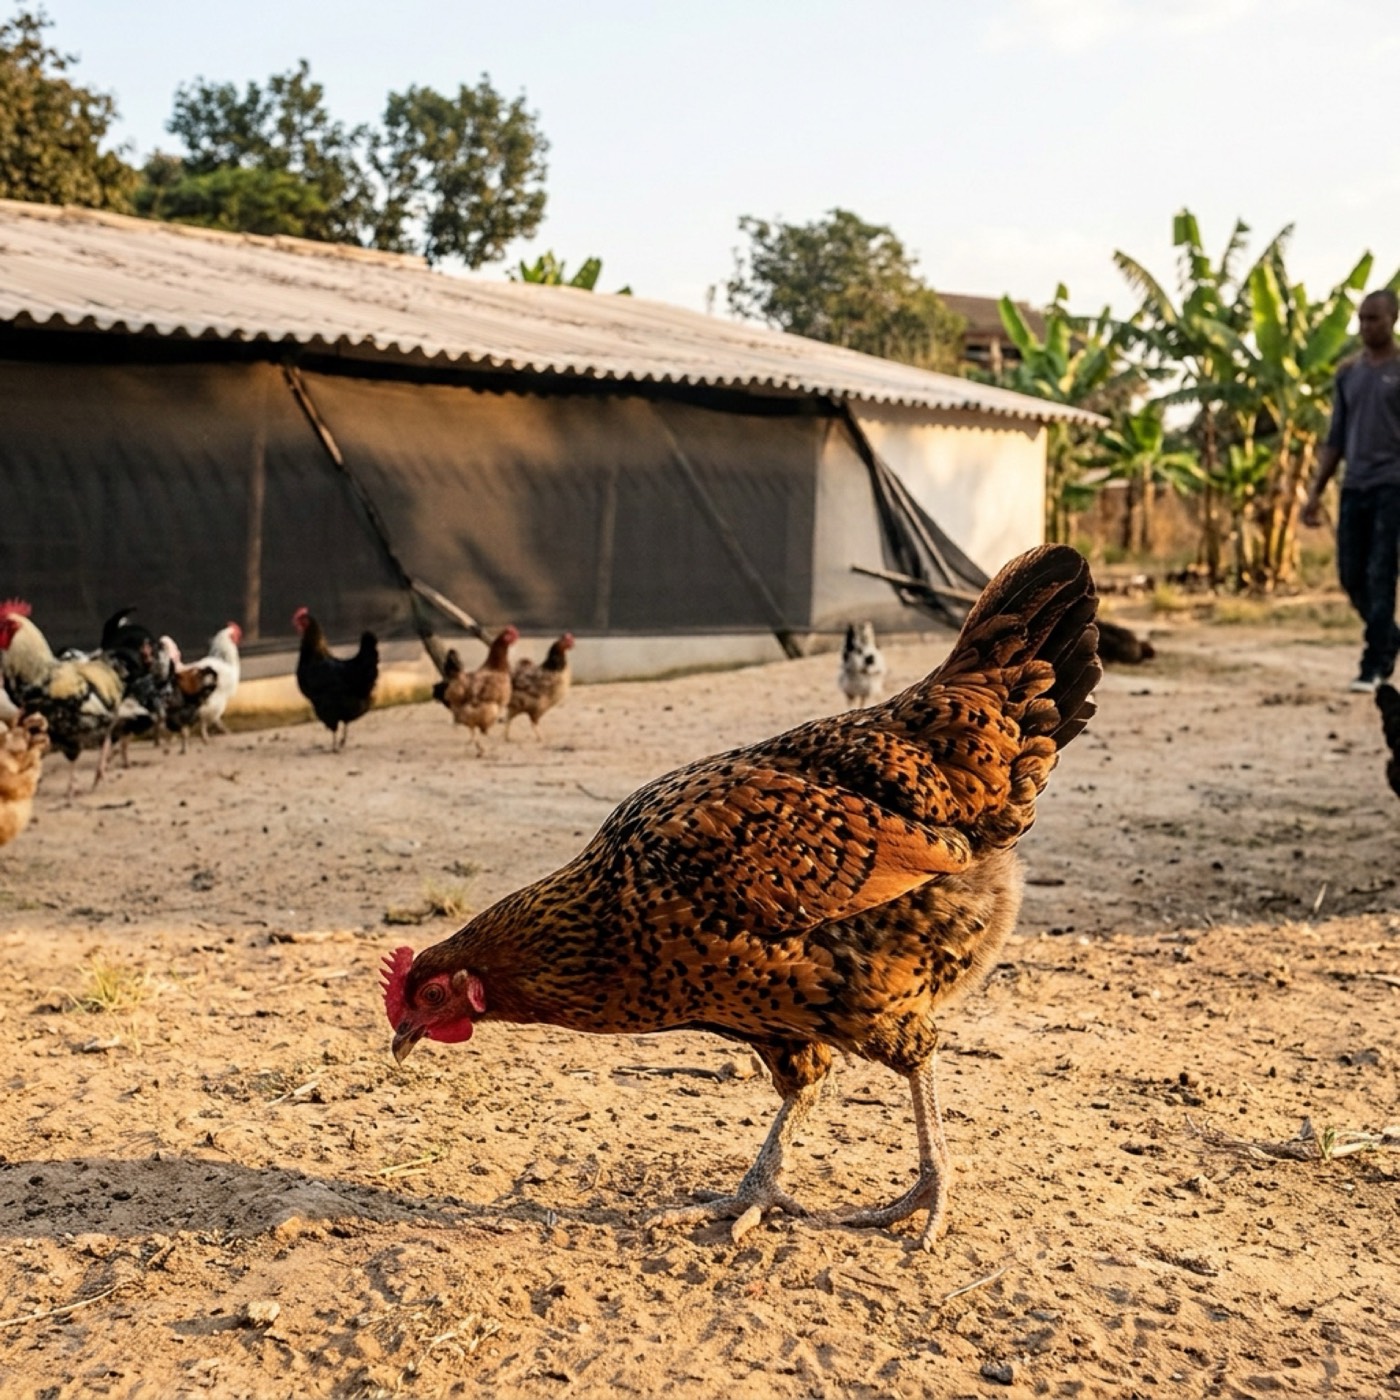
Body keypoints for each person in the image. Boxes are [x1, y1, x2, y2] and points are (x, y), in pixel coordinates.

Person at [1302, 288, 1400, 692]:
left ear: (1393, 319)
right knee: (1349, 574)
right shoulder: (1348, 373)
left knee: (1381, 574)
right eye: (1360, 319)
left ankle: (1374, 664)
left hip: (1393, 485)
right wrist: (1314, 493)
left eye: (1373, 319)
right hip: (1354, 485)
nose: (1365, 327)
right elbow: (1335, 437)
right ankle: (1388, 636)